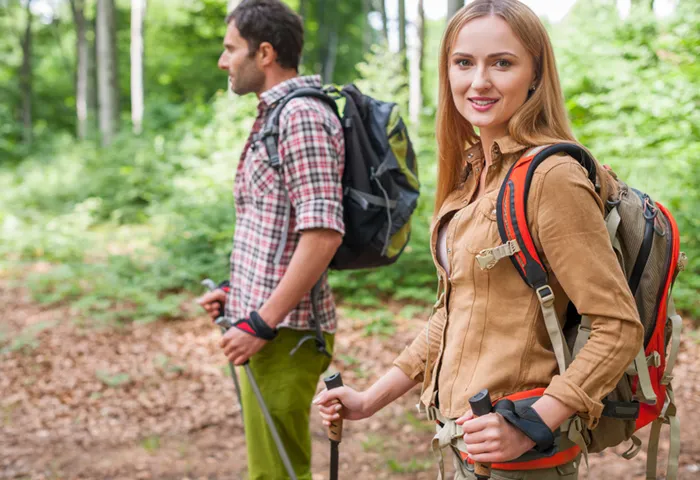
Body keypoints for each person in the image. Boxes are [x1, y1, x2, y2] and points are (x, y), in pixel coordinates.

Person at [314, 1, 644, 479]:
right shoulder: (476, 173)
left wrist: (533, 422)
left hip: (524, 461)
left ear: (535, 74)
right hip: (464, 447)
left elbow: (617, 326)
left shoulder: (552, 177)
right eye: (464, 62)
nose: (478, 81)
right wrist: (370, 399)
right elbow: (454, 313)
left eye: (502, 63)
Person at [197, 1, 345, 478]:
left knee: (277, 474)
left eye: (229, 49)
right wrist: (235, 292)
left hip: (284, 333)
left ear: (264, 53)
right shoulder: (274, 114)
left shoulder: (301, 115)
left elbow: (322, 234)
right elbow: (276, 228)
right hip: (267, 328)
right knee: (270, 469)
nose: (223, 61)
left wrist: (261, 320)